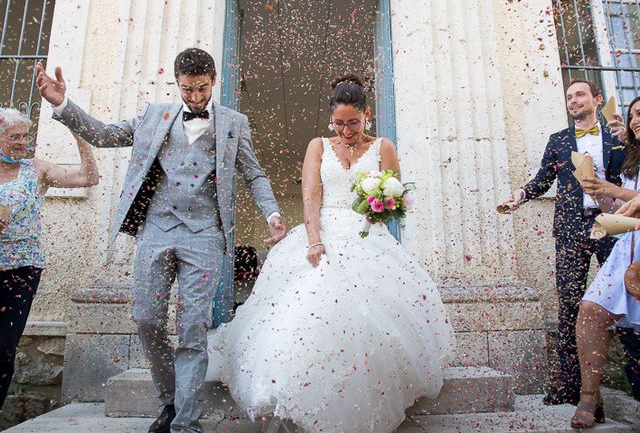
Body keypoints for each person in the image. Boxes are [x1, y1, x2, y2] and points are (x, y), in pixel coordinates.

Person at [35, 48, 287, 433]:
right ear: (177, 83)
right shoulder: (154, 116)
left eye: (202, 89)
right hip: (156, 230)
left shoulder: (235, 123)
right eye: (187, 89)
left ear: (214, 81)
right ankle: (170, 400)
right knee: (146, 319)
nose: (195, 97)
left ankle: (186, 422)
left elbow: (254, 174)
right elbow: (104, 135)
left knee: (192, 328)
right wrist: (64, 103)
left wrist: (271, 212)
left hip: (205, 235)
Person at [206, 74, 455, 433]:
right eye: (339, 123)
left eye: (353, 122)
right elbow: (311, 195)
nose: (346, 130)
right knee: (306, 312)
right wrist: (313, 240)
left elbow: (395, 197)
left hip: (368, 236)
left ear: (366, 114)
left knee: (369, 318)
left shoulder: (383, 146)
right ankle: (292, 394)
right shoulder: (319, 146)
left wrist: (381, 206)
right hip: (322, 234)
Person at [501, 79, 640, 406]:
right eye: (569, 96)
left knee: (626, 299)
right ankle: (570, 389)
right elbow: (542, 180)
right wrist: (520, 196)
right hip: (570, 227)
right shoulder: (558, 140)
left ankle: (635, 383)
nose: (573, 100)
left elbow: (632, 179)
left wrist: (627, 138)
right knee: (569, 304)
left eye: (579, 94)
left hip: (615, 225)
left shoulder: (619, 141)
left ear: (597, 99)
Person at [0, 107, 99, 409]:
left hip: (22, 270)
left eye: (24, 136)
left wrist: (79, 136)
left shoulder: (36, 169)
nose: (21, 142)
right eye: (13, 136)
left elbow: (89, 177)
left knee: (3, 347)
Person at [569, 96, 640, 428]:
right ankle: (589, 396)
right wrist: (599, 192)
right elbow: (617, 213)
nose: (636, 120)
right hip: (627, 248)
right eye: (632, 115)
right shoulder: (631, 160)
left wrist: (617, 191)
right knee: (590, 311)